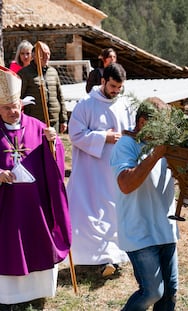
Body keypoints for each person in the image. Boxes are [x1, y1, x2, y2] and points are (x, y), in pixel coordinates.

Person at [0, 66, 71, 308]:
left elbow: (56, 164)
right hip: (6, 208)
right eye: (7, 108)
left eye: (16, 106)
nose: (13, 112)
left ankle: (36, 293)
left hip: (35, 205)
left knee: (37, 243)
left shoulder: (38, 127)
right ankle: (7, 297)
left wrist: (55, 143)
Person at [110, 98, 179, 310]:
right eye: (160, 126)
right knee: (152, 292)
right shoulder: (126, 145)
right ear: (142, 122)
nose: (164, 132)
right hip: (139, 232)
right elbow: (126, 184)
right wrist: (156, 154)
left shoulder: (167, 146)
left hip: (166, 229)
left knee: (169, 294)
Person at [67, 63, 134, 277]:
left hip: (116, 171)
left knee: (116, 214)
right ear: (103, 81)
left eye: (119, 87)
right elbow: (75, 134)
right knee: (93, 215)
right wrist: (103, 137)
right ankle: (94, 259)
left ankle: (115, 256)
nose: (116, 91)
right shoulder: (86, 104)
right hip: (92, 174)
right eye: (113, 86)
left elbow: (132, 131)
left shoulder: (124, 104)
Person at [18, 41, 68, 134]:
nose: (46, 57)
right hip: (34, 121)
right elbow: (18, 98)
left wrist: (63, 120)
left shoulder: (53, 72)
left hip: (53, 121)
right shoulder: (24, 74)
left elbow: (59, 96)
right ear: (34, 56)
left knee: (53, 147)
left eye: (48, 53)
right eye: (42, 54)